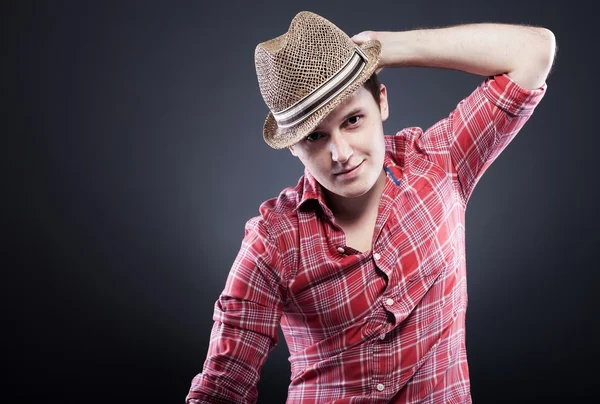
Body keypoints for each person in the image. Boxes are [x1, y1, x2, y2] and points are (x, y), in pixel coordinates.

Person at [186, 11, 556, 404]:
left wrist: (387, 47)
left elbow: (535, 50)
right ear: (293, 147)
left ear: (382, 102)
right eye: (315, 136)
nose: (341, 154)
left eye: (353, 120)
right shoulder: (273, 240)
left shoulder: (439, 162)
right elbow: (223, 386)